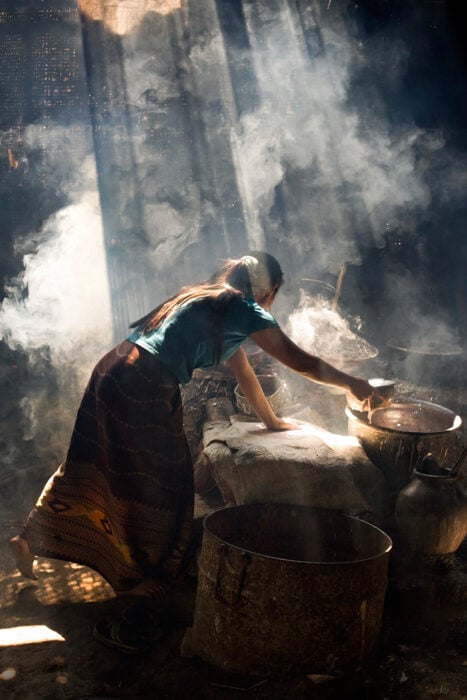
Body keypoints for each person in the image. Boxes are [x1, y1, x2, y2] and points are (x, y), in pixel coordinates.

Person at [9, 251, 382, 654]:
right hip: (144, 386)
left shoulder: (207, 298)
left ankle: (32, 536)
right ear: (270, 289)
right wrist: (353, 384)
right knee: (165, 488)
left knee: (91, 464)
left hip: (114, 369)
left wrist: (271, 421)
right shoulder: (247, 310)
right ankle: (141, 585)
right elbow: (301, 362)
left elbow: (244, 372)